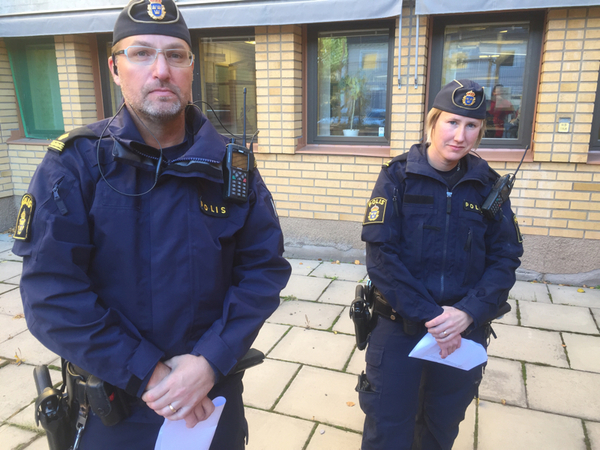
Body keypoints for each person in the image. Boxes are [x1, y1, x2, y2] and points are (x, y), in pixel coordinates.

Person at [12, 0, 291, 448]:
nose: (161, 69)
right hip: (114, 411)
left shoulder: (232, 168)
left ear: (191, 68)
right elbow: (51, 294)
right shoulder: (75, 165)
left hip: (210, 401)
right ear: (114, 68)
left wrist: (208, 363)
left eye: (175, 55)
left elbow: (263, 271)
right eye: (141, 53)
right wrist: (152, 373)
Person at [358, 79, 523, 450]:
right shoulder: (397, 177)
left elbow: (506, 256)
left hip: (464, 331)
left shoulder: (488, 186)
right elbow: (381, 257)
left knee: (440, 426)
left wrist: (466, 314)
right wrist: (434, 318)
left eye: (471, 125)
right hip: (401, 325)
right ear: (432, 122)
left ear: (480, 131)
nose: (460, 135)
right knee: (387, 426)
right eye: (451, 122)